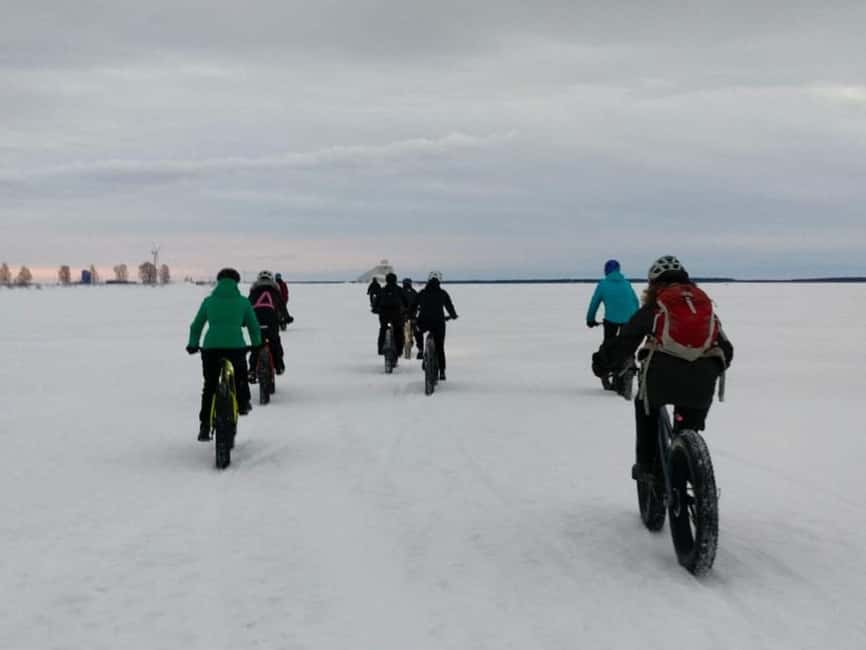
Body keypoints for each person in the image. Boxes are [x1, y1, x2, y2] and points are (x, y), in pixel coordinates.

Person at [592, 256, 733, 477]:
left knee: (644, 404)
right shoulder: (702, 307)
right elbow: (727, 349)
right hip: (703, 379)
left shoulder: (655, 307)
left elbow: (625, 342)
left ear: (653, 284)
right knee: (688, 424)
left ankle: (647, 467)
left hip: (662, 377)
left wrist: (601, 364)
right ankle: (688, 468)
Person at [187, 267, 261, 441]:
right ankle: (243, 404)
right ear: (236, 282)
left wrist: (193, 344)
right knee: (240, 376)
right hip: (236, 347)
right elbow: (253, 327)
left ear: (219, 282)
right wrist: (256, 345)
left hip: (211, 348)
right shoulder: (243, 302)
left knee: (210, 386)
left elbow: (196, 326)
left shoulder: (208, 301)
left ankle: (205, 426)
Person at [586, 259, 640, 389]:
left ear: (606, 271)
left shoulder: (603, 284)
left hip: (611, 321)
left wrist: (590, 319)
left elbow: (594, 303)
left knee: (608, 347)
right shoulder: (626, 283)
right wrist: (637, 319)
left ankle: (606, 373)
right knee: (627, 346)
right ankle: (628, 365)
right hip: (629, 320)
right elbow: (635, 301)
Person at [416, 271, 458, 380]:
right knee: (440, 346)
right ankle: (442, 371)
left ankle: (422, 352)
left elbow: (413, 305)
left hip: (423, 321)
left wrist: (410, 315)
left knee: (418, 331)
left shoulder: (422, 292)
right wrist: (453, 315)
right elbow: (449, 306)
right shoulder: (443, 293)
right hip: (438, 322)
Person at [248, 270, 288, 376]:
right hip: (271, 320)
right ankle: (279, 366)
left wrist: (244, 320)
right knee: (275, 342)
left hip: (255, 320)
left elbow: (247, 307)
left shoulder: (253, 291)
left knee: (256, 345)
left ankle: (252, 370)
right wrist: (286, 318)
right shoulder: (275, 291)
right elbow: (282, 307)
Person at [376, 272, 408, 362]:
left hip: (384, 313)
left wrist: (375, 309)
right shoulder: (399, 290)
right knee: (398, 331)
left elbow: (376, 302)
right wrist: (406, 309)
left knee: (383, 329)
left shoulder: (382, 290)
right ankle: (399, 351)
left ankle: (380, 349)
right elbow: (406, 301)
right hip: (396, 314)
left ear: (386, 280)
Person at [401, 277, 423, 356]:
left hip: (402, 316)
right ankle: (420, 349)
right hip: (412, 316)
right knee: (417, 331)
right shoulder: (414, 292)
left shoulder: (400, 291)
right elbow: (419, 303)